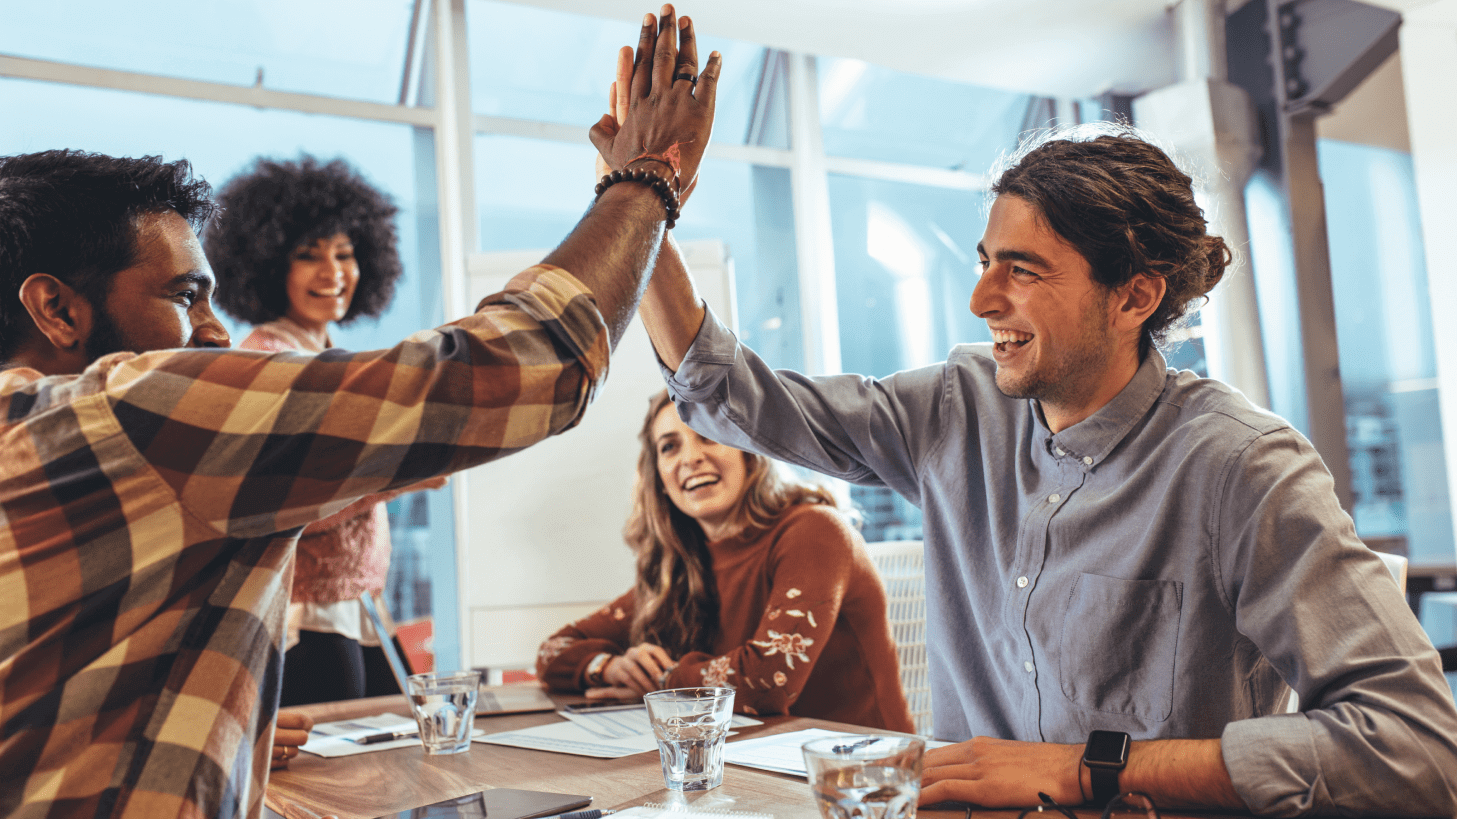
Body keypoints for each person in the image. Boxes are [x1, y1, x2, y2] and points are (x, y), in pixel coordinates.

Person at [0, 8, 718, 817]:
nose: (211, 329)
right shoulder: (130, 410)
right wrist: (647, 178)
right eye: (182, 296)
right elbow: (523, 362)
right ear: (57, 310)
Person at [634, 123, 1457, 816]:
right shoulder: (957, 406)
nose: (981, 298)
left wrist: (1085, 766)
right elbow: (728, 395)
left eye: (1021, 270)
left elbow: (1418, 747)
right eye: (985, 260)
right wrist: (642, 198)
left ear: (1134, 298)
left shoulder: (1240, 466)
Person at [205, 155, 444, 705]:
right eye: (308, 256)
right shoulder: (269, 360)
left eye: (345, 253)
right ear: (266, 267)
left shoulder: (329, 354)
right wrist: (404, 477)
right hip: (304, 614)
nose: (333, 272)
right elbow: (285, 501)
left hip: (356, 607)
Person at [537, 390, 915, 731]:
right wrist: (609, 667)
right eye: (669, 447)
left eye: (708, 434)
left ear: (748, 449)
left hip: (863, 779)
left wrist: (660, 682)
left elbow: (768, 680)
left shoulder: (814, 531)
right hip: (750, 771)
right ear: (660, 480)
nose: (691, 457)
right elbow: (554, 650)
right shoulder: (679, 569)